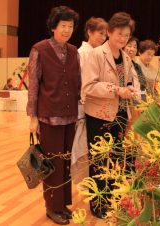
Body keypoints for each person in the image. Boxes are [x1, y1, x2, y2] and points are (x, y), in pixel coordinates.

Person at [82, 12, 140, 219]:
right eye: (119, 34)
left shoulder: (125, 57)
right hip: (100, 115)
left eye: (127, 35)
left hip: (120, 114)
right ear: (109, 32)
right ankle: (97, 202)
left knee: (116, 159)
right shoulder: (97, 54)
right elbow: (88, 86)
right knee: (98, 159)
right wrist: (116, 89)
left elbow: (129, 80)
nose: (123, 39)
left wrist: (130, 86)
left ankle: (113, 199)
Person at [26, 6, 80, 225]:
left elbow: (76, 82)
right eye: (63, 26)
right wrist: (32, 118)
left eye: (70, 26)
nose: (67, 30)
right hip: (49, 117)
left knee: (66, 162)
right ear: (53, 27)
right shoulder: (39, 49)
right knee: (52, 163)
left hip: (70, 115)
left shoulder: (74, 51)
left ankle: (63, 204)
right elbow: (33, 86)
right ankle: (52, 207)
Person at [71, 17, 108, 192]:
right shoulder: (83, 52)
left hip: (97, 103)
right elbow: (82, 81)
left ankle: (90, 180)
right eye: (100, 33)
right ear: (89, 32)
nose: (103, 37)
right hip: (85, 103)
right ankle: (85, 181)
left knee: (92, 144)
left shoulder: (99, 52)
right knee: (84, 144)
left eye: (105, 34)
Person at [123, 36, 146, 138]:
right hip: (128, 105)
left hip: (140, 105)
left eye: (134, 47)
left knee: (138, 137)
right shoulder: (121, 64)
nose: (132, 49)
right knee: (130, 137)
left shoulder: (137, 66)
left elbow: (142, 86)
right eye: (129, 46)